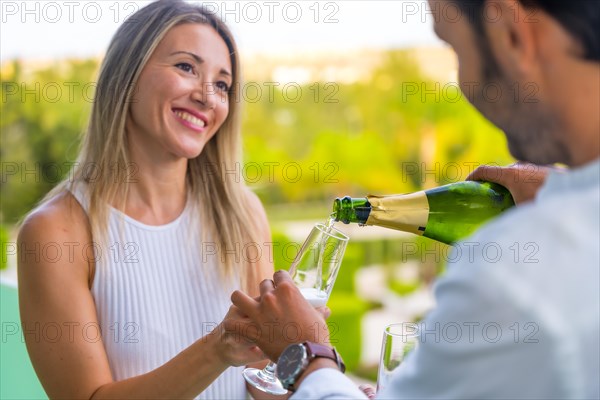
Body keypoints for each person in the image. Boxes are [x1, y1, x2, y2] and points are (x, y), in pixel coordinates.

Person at [227, 0, 600, 398]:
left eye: (455, 48)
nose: (463, 81)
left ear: (511, 33)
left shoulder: (510, 271)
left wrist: (304, 351)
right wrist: (565, 189)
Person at [17, 1, 275, 398]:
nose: (208, 97)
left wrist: (322, 379)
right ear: (127, 75)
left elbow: (262, 381)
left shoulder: (242, 215)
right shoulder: (56, 232)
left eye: (222, 84)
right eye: (186, 67)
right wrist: (218, 349)